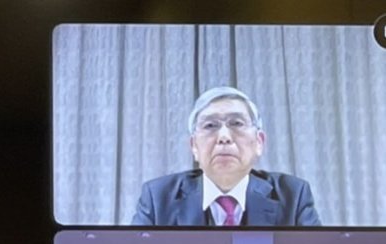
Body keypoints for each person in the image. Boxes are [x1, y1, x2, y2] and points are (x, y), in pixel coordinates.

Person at [132, 87, 321, 227]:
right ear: (194, 146)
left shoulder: (293, 195)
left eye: (236, 123)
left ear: (259, 142)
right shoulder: (158, 198)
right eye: (210, 126)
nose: (224, 137)